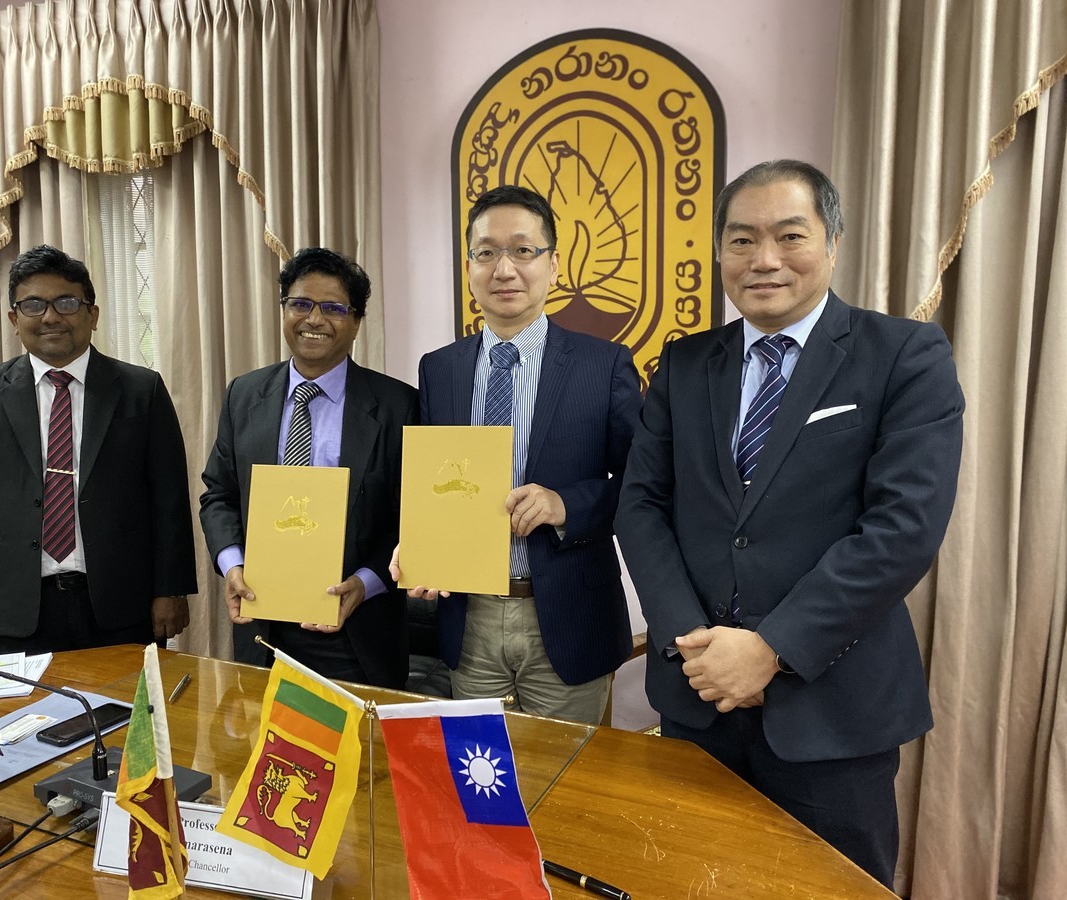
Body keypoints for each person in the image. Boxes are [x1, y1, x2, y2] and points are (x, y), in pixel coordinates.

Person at [614, 160, 964, 888]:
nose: (763, 259)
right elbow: (642, 506)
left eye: (788, 235)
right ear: (719, 256)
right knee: (691, 882)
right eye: (741, 240)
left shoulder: (902, 354)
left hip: (833, 712)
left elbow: (902, 528)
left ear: (832, 241)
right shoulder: (683, 364)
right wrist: (692, 645)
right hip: (698, 698)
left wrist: (771, 647)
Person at [391, 185, 642, 725]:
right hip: (470, 617)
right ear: (469, 267)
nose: (504, 268)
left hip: (568, 613)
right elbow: (435, 481)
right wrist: (419, 546)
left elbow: (641, 484)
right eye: (487, 252)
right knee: (483, 783)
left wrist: (566, 504)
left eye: (523, 251)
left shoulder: (605, 365)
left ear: (553, 265)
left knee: (570, 786)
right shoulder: (441, 369)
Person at [0, 244, 197, 653]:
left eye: (67, 303)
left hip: (120, 603)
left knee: (127, 714)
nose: (51, 316)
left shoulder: (141, 390)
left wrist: (172, 589)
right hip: (15, 607)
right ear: (13, 319)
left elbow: (169, 499)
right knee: (27, 717)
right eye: (34, 305)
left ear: (92, 315)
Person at [199, 247, 418, 688]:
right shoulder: (244, 394)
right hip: (263, 626)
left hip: (358, 633)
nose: (314, 320)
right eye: (300, 304)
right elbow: (218, 495)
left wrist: (365, 583)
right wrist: (233, 564)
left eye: (334, 308)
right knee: (262, 753)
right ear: (284, 310)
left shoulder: (398, 405)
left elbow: (411, 519)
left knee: (360, 756)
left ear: (356, 322)